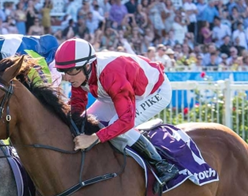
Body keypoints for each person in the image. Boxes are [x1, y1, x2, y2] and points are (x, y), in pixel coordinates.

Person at [53, 38, 179, 184]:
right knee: (89, 119)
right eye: (63, 71)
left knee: (117, 126)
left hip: (154, 92)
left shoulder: (111, 73)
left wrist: (94, 138)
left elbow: (126, 121)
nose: (67, 77)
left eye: (71, 71)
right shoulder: (80, 73)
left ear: (87, 66)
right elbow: (78, 103)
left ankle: (163, 165)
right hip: (118, 93)